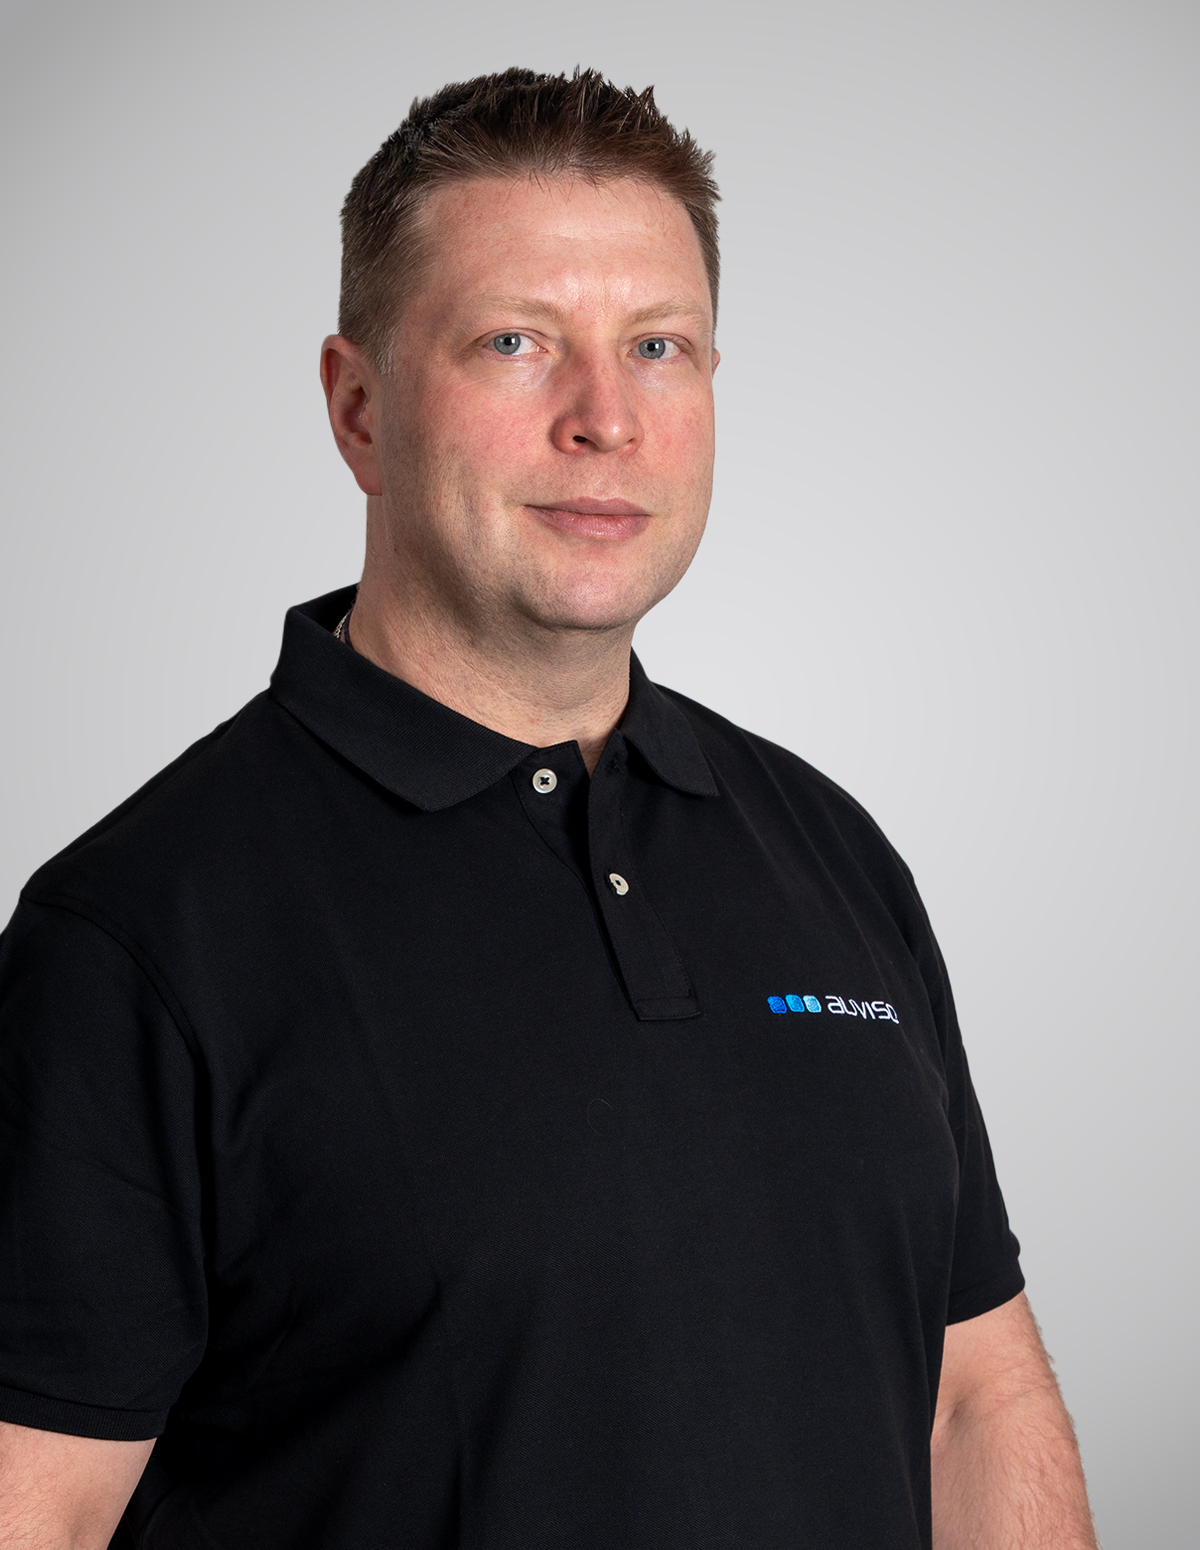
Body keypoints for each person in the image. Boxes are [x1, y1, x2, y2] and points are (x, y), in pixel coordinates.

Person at [0, 67, 1097, 1550]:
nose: (606, 418)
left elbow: (975, 1398)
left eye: (658, 345)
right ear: (359, 407)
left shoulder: (833, 851)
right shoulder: (136, 933)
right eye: (515, 342)